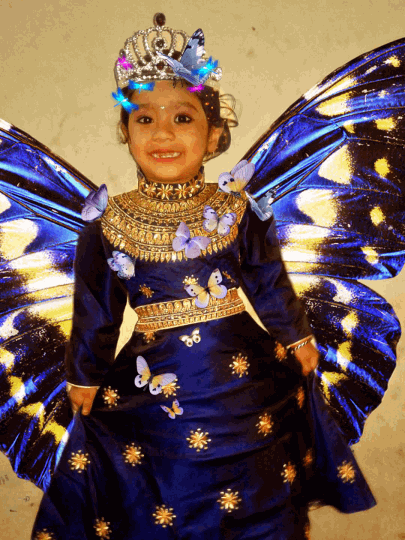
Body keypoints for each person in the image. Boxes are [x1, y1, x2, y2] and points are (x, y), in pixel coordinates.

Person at [29, 13, 380, 540]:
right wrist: (83, 375)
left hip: (245, 383)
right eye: (144, 119)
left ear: (213, 135)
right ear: (125, 132)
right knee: (162, 490)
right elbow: (97, 311)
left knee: (260, 482)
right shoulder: (107, 222)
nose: (163, 133)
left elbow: (267, 281)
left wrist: (297, 336)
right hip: (153, 388)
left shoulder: (239, 210)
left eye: (183, 118)